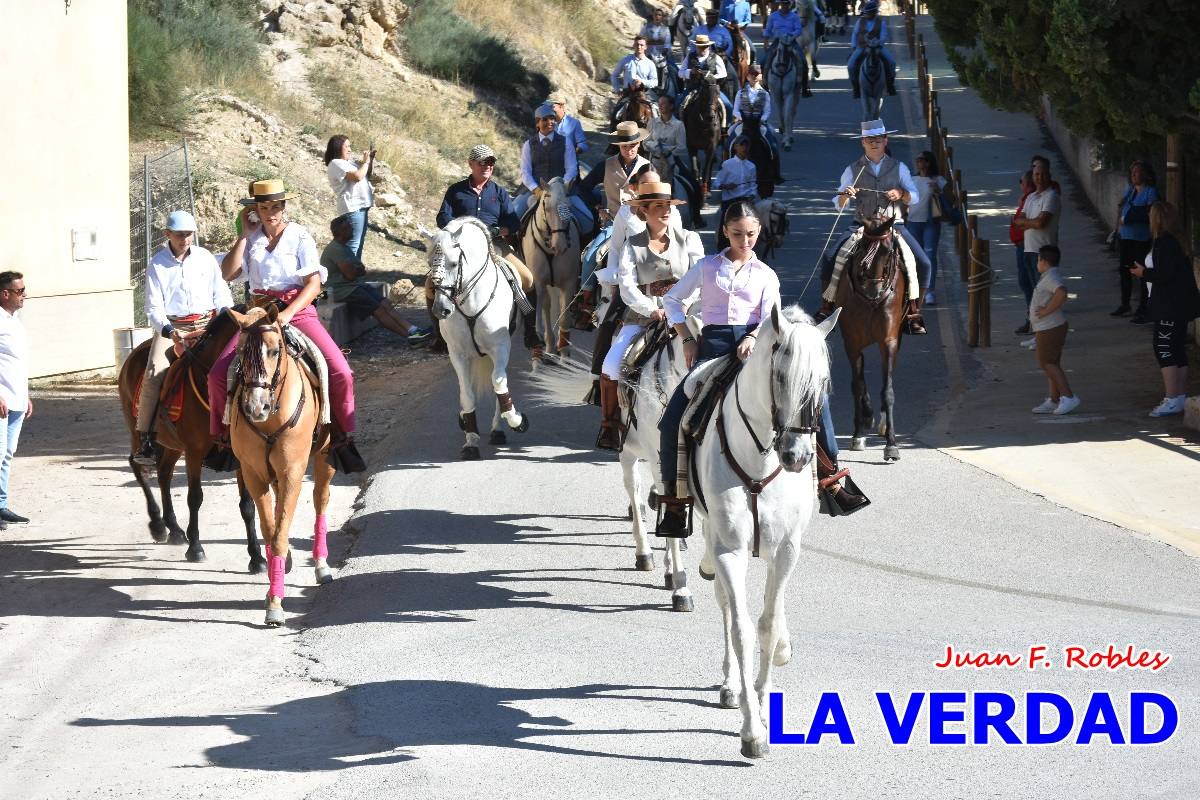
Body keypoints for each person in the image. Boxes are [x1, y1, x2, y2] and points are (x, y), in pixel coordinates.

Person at [211, 179, 364, 472]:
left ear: (284, 207)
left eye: (275, 206)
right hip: (257, 313)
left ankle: (342, 438)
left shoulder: (299, 236)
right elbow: (228, 273)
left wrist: (289, 312)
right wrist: (244, 234)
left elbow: (314, 282)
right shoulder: (251, 238)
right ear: (255, 209)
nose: (270, 212)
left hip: (298, 310)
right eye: (264, 207)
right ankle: (222, 438)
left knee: (341, 371)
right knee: (218, 373)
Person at [655, 202, 781, 534]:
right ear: (725, 231)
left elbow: (772, 317)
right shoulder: (706, 267)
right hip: (711, 351)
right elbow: (672, 300)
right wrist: (686, 338)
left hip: (753, 352)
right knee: (671, 423)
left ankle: (829, 477)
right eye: (738, 234)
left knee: (804, 395)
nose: (745, 240)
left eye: (751, 234)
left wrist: (754, 335)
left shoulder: (766, 274)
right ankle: (675, 501)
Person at [596, 182, 704, 451]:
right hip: (645, 317)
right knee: (610, 366)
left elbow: (699, 277)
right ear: (643, 211)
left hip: (687, 313)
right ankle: (610, 425)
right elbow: (627, 286)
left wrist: (682, 305)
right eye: (658, 206)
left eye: (667, 206)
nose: (665, 211)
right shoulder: (632, 246)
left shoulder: (689, 238)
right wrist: (652, 309)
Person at [133, 210, 234, 466]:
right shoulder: (157, 264)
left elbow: (221, 293)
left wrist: (223, 317)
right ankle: (146, 438)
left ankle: (238, 430)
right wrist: (170, 332)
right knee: (154, 372)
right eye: (179, 235)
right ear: (167, 234)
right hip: (174, 327)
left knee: (238, 363)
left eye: (189, 234)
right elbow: (153, 308)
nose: (185, 239)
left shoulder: (205, 258)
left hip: (207, 324)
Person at [816, 120, 926, 334]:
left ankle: (914, 311)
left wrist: (901, 194)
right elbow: (837, 203)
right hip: (862, 225)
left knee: (923, 263)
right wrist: (845, 196)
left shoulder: (899, 167)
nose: (874, 143)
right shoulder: (852, 169)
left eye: (878, 139)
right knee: (830, 258)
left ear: (886, 141)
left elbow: (915, 197)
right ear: (862, 143)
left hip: (893, 225)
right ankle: (826, 306)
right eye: (869, 140)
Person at [438, 143, 543, 350]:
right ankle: (439, 336)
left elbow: (513, 222)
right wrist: (460, 228)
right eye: (482, 162)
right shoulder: (455, 190)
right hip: (460, 245)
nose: (487, 166)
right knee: (433, 284)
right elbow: (443, 217)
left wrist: (498, 231)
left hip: (494, 244)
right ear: (471, 164)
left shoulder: (500, 192)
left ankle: (530, 332)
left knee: (528, 279)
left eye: (491, 162)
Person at [1129, 202, 1200, 417]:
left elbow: (1165, 274)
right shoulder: (1174, 240)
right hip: (1175, 304)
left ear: (1157, 219)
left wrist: (1143, 273)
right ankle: (1177, 397)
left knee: (1164, 347)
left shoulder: (1165, 242)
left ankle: (1171, 397)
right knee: (1175, 347)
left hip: (1170, 305)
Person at [321, 215, 431, 343]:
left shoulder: (344, 247)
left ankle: (413, 329)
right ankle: (409, 337)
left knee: (385, 303)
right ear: (342, 231)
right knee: (379, 311)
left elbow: (360, 268)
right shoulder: (336, 250)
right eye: (350, 228)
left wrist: (357, 270)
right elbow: (351, 274)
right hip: (344, 290)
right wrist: (357, 270)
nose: (353, 230)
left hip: (354, 285)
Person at [1028, 245, 1079, 416]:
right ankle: (1054, 399)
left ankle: (1068, 396)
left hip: (1050, 327)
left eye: (1038, 260)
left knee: (1046, 363)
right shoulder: (1051, 274)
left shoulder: (1051, 277)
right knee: (1052, 363)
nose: (1037, 263)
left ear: (1043, 261)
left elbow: (1062, 293)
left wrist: (1046, 311)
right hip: (1048, 327)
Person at [1012, 158, 1060, 339]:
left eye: (1042, 174)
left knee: (1045, 296)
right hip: (1029, 250)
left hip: (1044, 252)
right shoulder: (1031, 197)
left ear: (1049, 175)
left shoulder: (1052, 196)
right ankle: (1039, 332)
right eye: (1036, 174)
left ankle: (1047, 334)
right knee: (1034, 293)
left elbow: (1041, 222)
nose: (1039, 178)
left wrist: (1028, 222)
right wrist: (1029, 222)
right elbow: (1018, 222)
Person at [0, 271, 32, 529]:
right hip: (1, 399)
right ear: (5, 293)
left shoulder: (15, 319)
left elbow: (17, 361)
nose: (25, 295)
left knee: (8, 454)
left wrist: (26, 393)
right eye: (20, 291)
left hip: (17, 397)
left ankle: (1, 505)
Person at [1114, 160, 1159, 322]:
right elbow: (1122, 209)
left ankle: (1143, 307)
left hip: (1141, 238)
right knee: (1125, 271)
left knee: (1141, 273)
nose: (1133, 175)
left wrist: (1129, 218)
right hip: (1126, 237)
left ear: (1145, 174)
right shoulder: (1130, 190)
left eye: (1137, 172)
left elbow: (1150, 214)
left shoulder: (1150, 192)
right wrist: (1118, 228)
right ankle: (1125, 304)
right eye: (1132, 172)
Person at [516, 104, 579, 218]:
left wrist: (563, 186)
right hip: (534, 190)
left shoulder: (566, 142)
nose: (550, 122)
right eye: (545, 119)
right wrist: (535, 189)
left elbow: (572, 168)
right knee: (514, 215)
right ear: (537, 123)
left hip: (561, 189)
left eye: (552, 119)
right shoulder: (528, 145)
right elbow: (525, 171)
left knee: (585, 218)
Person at [904, 150, 946, 305]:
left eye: (921, 160)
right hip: (913, 222)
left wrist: (938, 190)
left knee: (930, 257)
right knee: (914, 257)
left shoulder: (938, 179)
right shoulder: (911, 179)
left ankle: (930, 291)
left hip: (931, 223)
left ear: (928, 162)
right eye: (917, 160)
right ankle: (915, 289)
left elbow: (950, 199)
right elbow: (905, 199)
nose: (918, 162)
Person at [323, 135, 375, 259]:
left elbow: (366, 173)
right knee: (353, 244)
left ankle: (354, 273)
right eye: (347, 146)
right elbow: (357, 176)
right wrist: (366, 162)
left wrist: (370, 160)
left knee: (358, 243)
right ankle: (348, 275)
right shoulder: (336, 163)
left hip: (360, 207)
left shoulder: (347, 163)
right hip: (352, 208)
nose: (350, 149)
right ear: (337, 147)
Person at [732, 64, 782, 181]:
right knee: (729, 142)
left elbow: (767, 111)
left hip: (759, 124)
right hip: (743, 123)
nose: (754, 77)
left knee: (772, 144)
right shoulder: (740, 93)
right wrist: (743, 119)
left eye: (756, 74)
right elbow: (735, 110)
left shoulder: (765, 94)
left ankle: (776, 174)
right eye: (751, 74)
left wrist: (761, 120)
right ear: (747, 76)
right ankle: (725, 167)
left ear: (760, 76)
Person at [713, 136, 758, 251]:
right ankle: (722, 247)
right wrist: (726, 186)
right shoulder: (727, 164)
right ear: (736, 147)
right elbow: (717, 183)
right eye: (742, 145)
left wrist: (752, 194)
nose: (744, 148)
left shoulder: (751, 166)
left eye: (746, 145)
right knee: (724, 224)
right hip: (730, 201)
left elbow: (753, 185)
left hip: (746, 201)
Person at [601, 121, 651, 220]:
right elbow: (584, 187)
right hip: (613, 221)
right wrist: (599, 208)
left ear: (639, 144)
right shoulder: (605, 165)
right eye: (624, 146)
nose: (628, 150)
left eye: (632, 145)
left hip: (640, 222)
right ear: (619, 145)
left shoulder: (648, 167)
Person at [847, 0, 896, 98]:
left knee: (891, 62)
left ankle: (890, 86)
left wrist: (877, 43)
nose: (867, 15)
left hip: (877, 47)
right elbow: (855, 34)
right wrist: (853, 46)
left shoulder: (881, 22)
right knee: (851, 66)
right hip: (862, 47)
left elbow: (883, 35)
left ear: (874, 13)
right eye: (866, 13)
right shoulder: (860, 21)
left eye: (869, 13)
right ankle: (856, 88)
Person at [678, 35, 733, 119]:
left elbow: (723, 74)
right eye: (700, 47)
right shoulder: (689, 57)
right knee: (677, 104)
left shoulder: (716, 58)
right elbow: (680, 73)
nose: (703, 49)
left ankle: (726, 127)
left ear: (708, 46)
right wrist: (690, 72)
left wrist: (710, 77)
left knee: (727, 106)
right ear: (696, 47)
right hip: (692, 88)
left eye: (705, 47)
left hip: (711, 89)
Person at [1009, 169, 1035, 326]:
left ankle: (1032, 318)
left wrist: (1017, 221)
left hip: (1026, 245)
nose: (1020, 185)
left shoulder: (1030, 199)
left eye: (1021, 182)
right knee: (1025, 282)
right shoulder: (1025, 199)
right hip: (1021, 245)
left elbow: (1022, 221)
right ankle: (1031, 316)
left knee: (1028, 282)